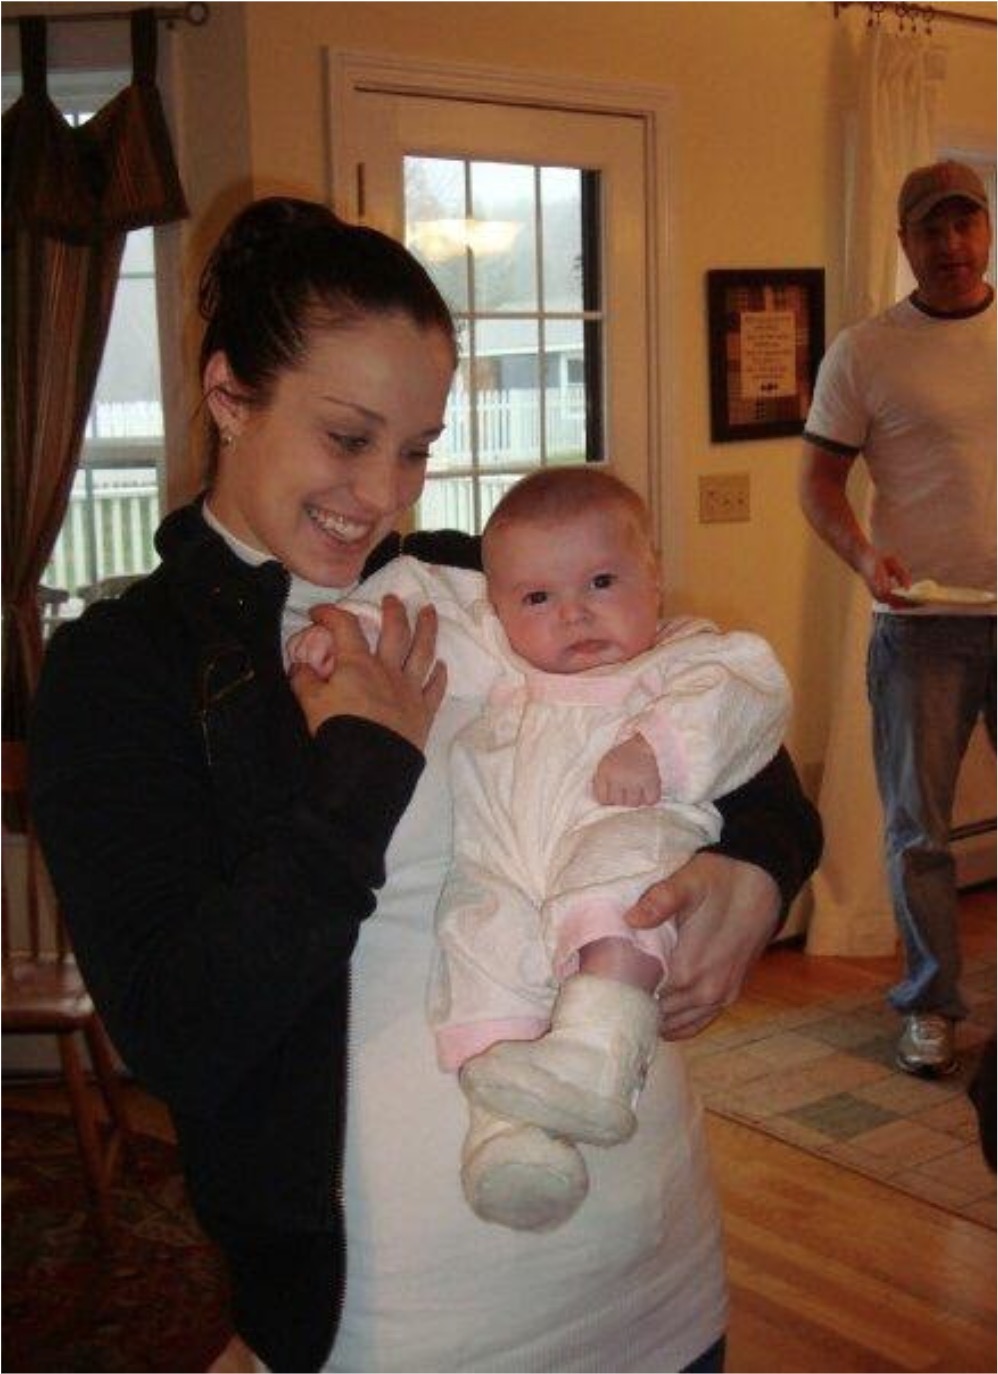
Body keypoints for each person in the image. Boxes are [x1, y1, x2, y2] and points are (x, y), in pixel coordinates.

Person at [29, 195, 822, 1374]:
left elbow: (717, 718)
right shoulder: (126, 666)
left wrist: (757, 867)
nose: (385, 494)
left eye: (415, 447)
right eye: (349, 437)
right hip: (401, 1323)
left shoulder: (472, 583)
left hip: (654, 1267)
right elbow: (182, 1034)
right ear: (228, 394)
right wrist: (364, 762)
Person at [290, 467, 792, 1234]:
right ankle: (512, 1142)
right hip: (503, 862)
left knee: (617, 898)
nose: (574, 614)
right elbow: (420, 594)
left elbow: (751, 695)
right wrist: (339, 632)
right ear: (501, 608)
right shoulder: (496, 648)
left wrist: (657, 748)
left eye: (601, 581)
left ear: (654, 576)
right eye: (538, 600)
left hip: (622, 826)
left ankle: (596, 1053)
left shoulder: (684, 658)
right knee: (480, 955)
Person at [799, 159, 995, 1079]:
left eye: (966, 224)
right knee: (918, 827)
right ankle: (929, 1006)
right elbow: (818, 482)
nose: (951, 245)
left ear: (987, 229)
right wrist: (864, 557)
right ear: (906, 241)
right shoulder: (866, 351)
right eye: (932, 230)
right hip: (923, 627)